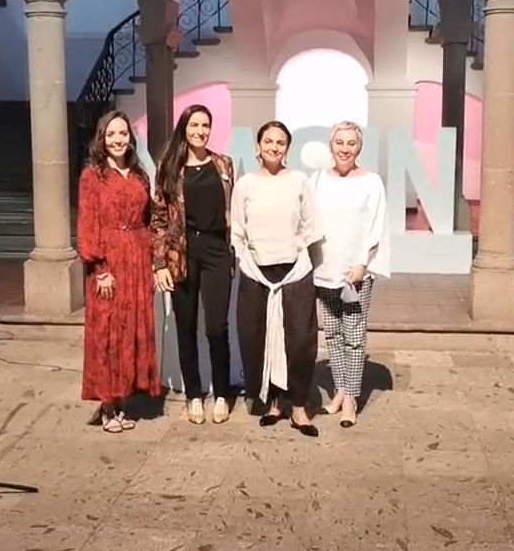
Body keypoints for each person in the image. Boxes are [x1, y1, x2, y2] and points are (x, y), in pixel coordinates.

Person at [230, 121, 321, 437]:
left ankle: (299, 406)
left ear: (287, 148)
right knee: (259, 338)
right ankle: (274, 402)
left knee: (300, 341)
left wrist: (298, 254)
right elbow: (237, 230)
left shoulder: (299, 181)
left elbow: (311, 225)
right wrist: (247, 262)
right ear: (258, 146)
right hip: (257, 273)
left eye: (280, 142)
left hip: (294, 273)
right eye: (268, 141)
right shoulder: (245, 184)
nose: (274, 147)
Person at [77, 110, 161, 433]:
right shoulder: (92, 176)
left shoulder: (140, 175)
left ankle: (123, 399)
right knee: (108, 332)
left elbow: (149, 220)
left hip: (137, 259)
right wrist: (100, 268)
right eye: (111, 134)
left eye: (123, 134)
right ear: (102, 138)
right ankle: (108, 404)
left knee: (131, 330)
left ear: (131, 138)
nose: (117, 140)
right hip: (109, 261)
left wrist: (153, 262)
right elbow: (87, 223)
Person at [152, 104, 236, 425]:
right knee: (185, 326)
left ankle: (223, 393)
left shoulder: (223, 164)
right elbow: (159, 218)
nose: (200, 131)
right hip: (181, 252)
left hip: (216, 250)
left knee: (216, 327)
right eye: (194, 125)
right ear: (184, 128)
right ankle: (194, 395)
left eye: (205, 125)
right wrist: (159, 262)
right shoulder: (169, 167)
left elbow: (232, 209)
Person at [311, 121, 388, 428]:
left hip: (355, 272)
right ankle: (340, 391)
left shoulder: (371, 182)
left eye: (351, 143)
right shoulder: (317, 180)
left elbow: (377, 225)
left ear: (359, 147)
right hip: (324, 270)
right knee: (332, 334)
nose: (345, 149)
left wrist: (363, 263)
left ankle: (351, 398)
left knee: (354, 337)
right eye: (339, 142)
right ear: (331, 145)